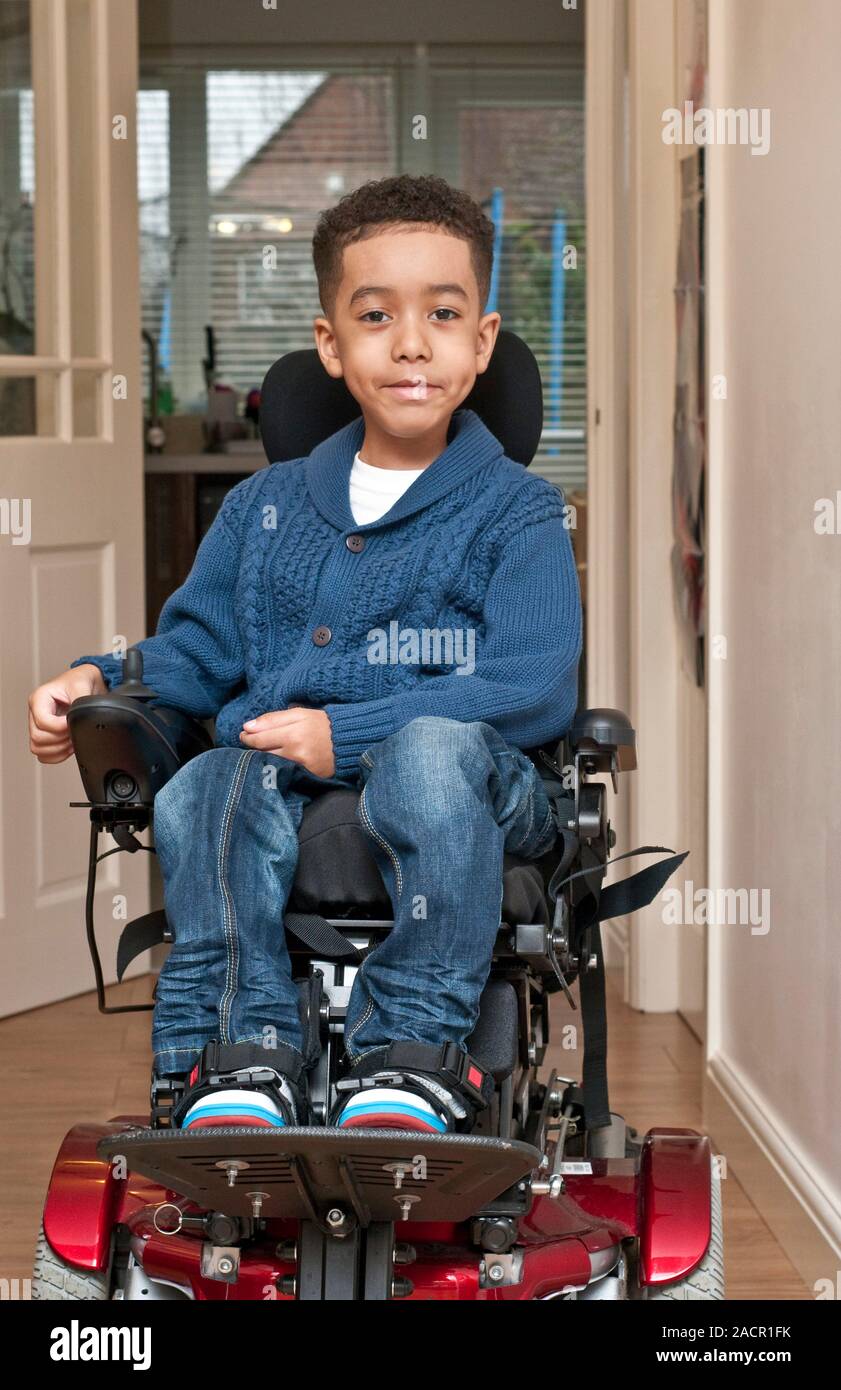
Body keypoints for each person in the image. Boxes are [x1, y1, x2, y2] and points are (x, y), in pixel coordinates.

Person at [28, 173, 582, 1136]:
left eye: (442, 314)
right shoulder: (263, 507)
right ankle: (238, 1051)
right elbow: (200, 649)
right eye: (376, 316)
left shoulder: (517, 510)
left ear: (481, 341)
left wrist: (348, 735)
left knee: (426, 749)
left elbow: (530, 683)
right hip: (281, 775)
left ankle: (411, 1052)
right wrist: (103, 677)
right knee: (205, 782)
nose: (411, 343)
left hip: (476, 773)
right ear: (330, 343)